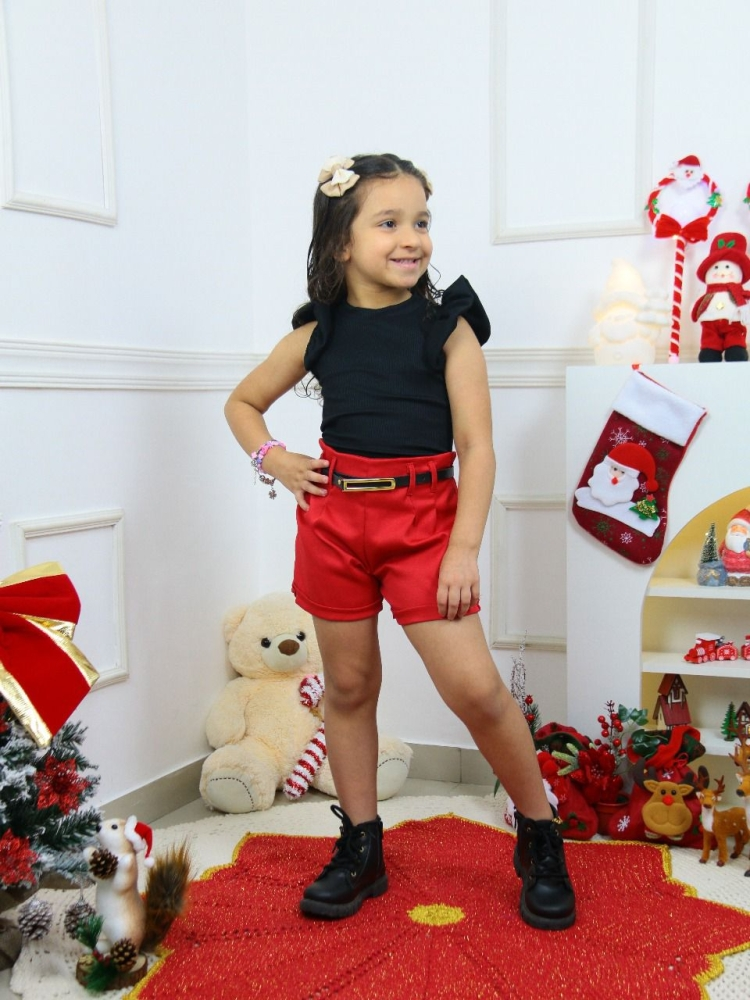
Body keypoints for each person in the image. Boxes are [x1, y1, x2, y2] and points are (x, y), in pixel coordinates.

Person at [224, 152, 576, 931]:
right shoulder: (317, 332)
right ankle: (362, 845)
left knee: (476, 690)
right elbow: (242, 403)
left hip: (426, 528)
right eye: (389, 222)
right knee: (349, 688)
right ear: (342, 242)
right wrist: (274, 458)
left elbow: (477, 448)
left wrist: (463, 549)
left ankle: (539, 834)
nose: (412, 237)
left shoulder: (448, 328)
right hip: (334, 526)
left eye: (421, 220)